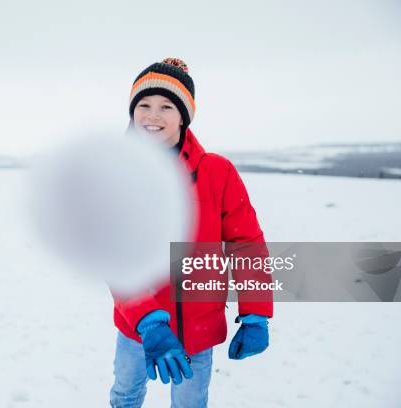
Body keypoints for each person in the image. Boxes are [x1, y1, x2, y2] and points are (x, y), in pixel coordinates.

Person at [109, 58, 274, 408]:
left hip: (198, 330)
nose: (153, 115)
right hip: (138, 328)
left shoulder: (218, 172)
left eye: (166, 106)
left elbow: (246, 244)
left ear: (184, 116)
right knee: (125, 396)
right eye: (144, 106)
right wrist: (150, 322)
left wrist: (256, 311)